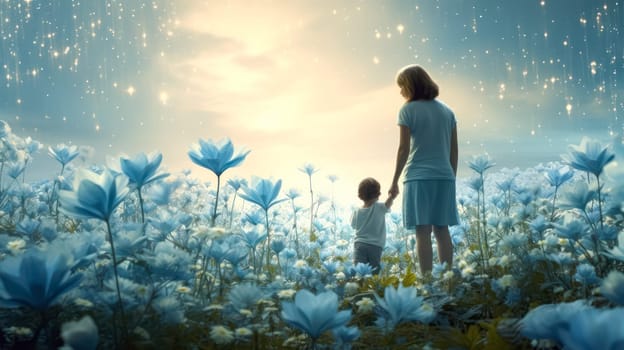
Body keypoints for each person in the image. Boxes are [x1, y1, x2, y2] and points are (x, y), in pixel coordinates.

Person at [388, 64, 459, 275]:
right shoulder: (448, 111)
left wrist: (393, 181)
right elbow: (454, 150)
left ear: (411, 86)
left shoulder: (407, 110)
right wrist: (450, 176)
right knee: (442, 230)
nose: (400, 92)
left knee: (422, 231)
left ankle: (427, 282)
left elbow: (403, 149)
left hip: (418, 176)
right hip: (445, 176)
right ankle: (448, 281)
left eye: (402, 87)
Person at [351, 177, 395, 274]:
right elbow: (389, 202)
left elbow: (353, 225)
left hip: (359, 245)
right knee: (374, 272)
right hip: (375, 246)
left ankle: (359, 287)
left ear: (360, 195)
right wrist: (392, 195)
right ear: (378, 194)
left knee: (359, 272)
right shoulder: (379, 207)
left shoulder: (356, 211)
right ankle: (373, 288)